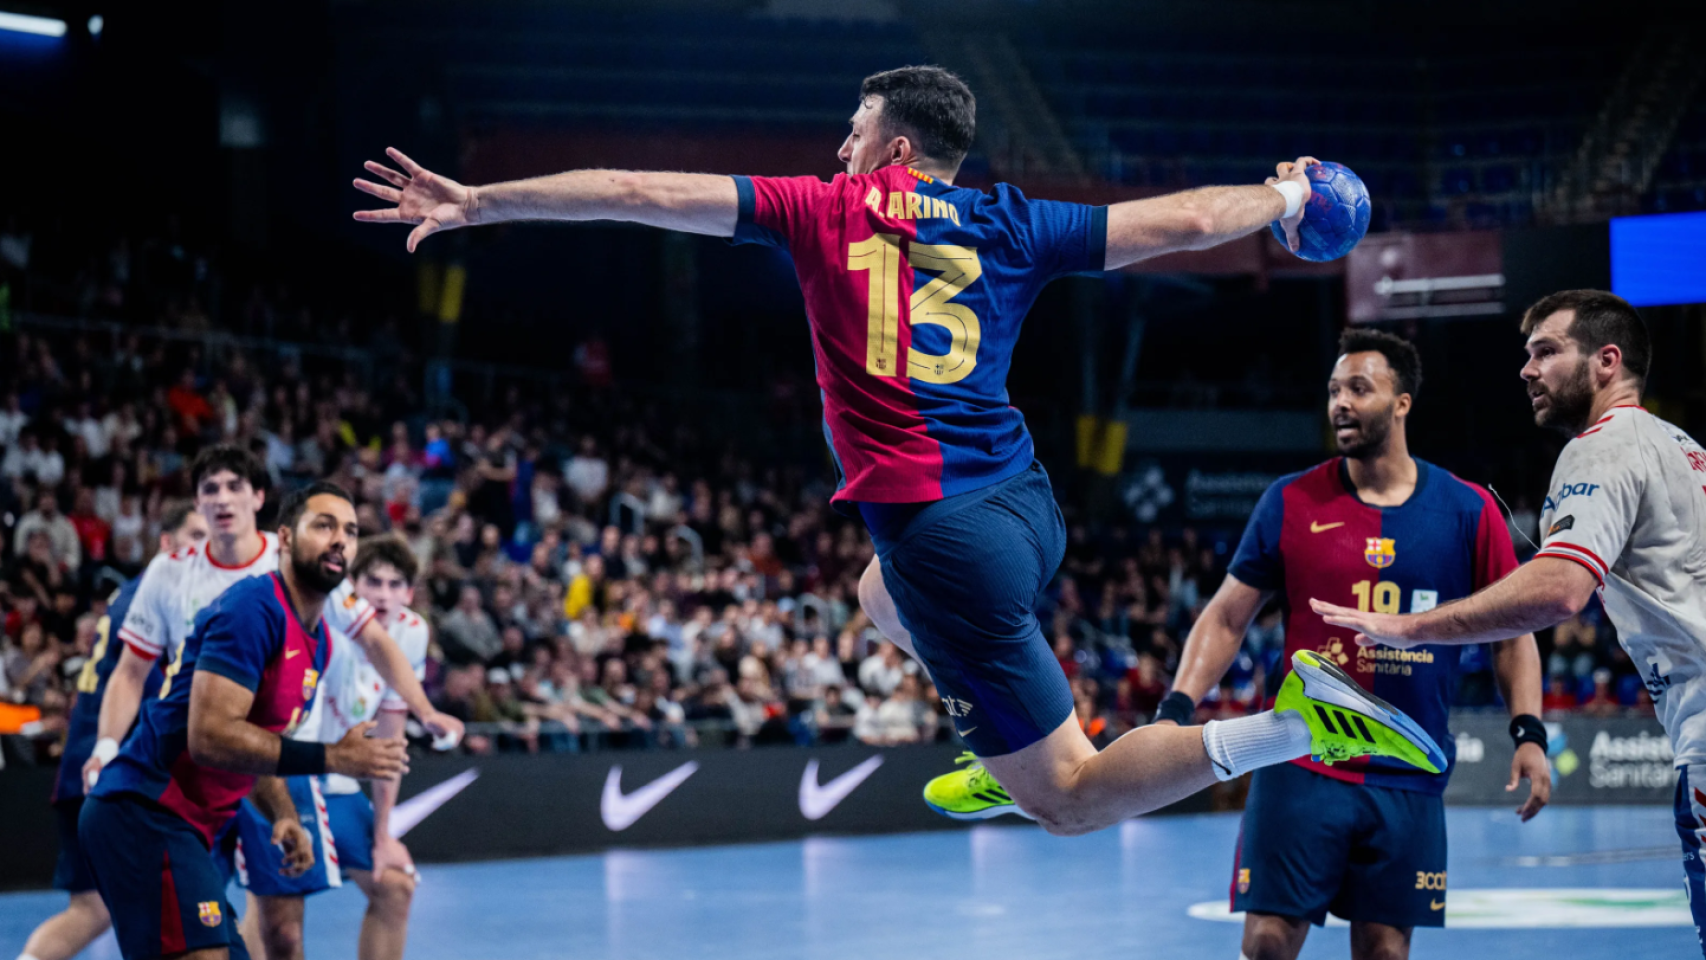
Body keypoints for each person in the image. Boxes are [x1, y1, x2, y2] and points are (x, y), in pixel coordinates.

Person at [352, 65, 1442, 836]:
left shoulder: (822, 210)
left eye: (854, 129)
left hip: (944, 540)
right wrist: (1287, 196)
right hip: (1025, 507)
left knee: (1064, 797)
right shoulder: (1015, 221)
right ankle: (988, 740)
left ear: (896, 149)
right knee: (875, 600)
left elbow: (635, 194)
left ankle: (1290, 725)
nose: (840, 147)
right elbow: (1177, 219)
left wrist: (482, 201)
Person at [1311, 290, 1706, 958]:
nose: (1527, 369)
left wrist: (1411, 627)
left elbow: (1559, 590)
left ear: (1607, 362)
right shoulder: (1685, 447)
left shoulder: (1602, 449)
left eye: (1547, 352)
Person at [1158, 329, 1549, 960]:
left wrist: (1528, 733)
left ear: (1401, 403)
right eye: (1335, 390)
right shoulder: (1289, 500)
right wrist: (1176, 708)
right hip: (1300, 761)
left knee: (1386, 952)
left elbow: (1513, 636)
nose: (1340, 402)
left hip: (1409, 771)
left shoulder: (1468, 510)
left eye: (1359, 389)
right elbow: (1228, 616)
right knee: (1266, 943)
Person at [78, 483, 409, 960]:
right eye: (324, 525)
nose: (340, 539)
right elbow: (211, 737)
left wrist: (283, 816)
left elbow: (257, 746)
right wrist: (334, 757)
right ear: (286, 539)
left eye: (351, 532)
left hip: (183, 827)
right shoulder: (252, 609)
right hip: (142, 812)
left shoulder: (318, 643)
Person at [85, 445, 461, 792]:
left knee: (304, 859)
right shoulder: (168, 571)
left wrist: (426, 712)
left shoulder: (300, 560)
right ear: (197, 501)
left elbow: (374, 638)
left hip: (282, 760)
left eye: (235, 486)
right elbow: (130, 674)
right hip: (197, 760)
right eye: (211, 489)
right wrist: (104, 748)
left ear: (259, 497)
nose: (223, 498)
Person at [13, 502, 208, 960]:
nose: (207, 548)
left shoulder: (130, 597)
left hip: (82, 768)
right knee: (167, 909)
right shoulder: (159, 600)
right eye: (195, 536)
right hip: (116, 773)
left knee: (92, 910)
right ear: (166, 543)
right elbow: (159, 696)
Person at [233, 534, 430, 960]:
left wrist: (383, 834)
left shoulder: (413, 633)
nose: (383, 593)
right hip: (286, 776)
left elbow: (391, 736)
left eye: (395, 585)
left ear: (410, 594)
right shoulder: (325, 622)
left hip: (338, 788)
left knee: (396, 886)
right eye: (372, 582)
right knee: (277, 918)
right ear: (350, 590)